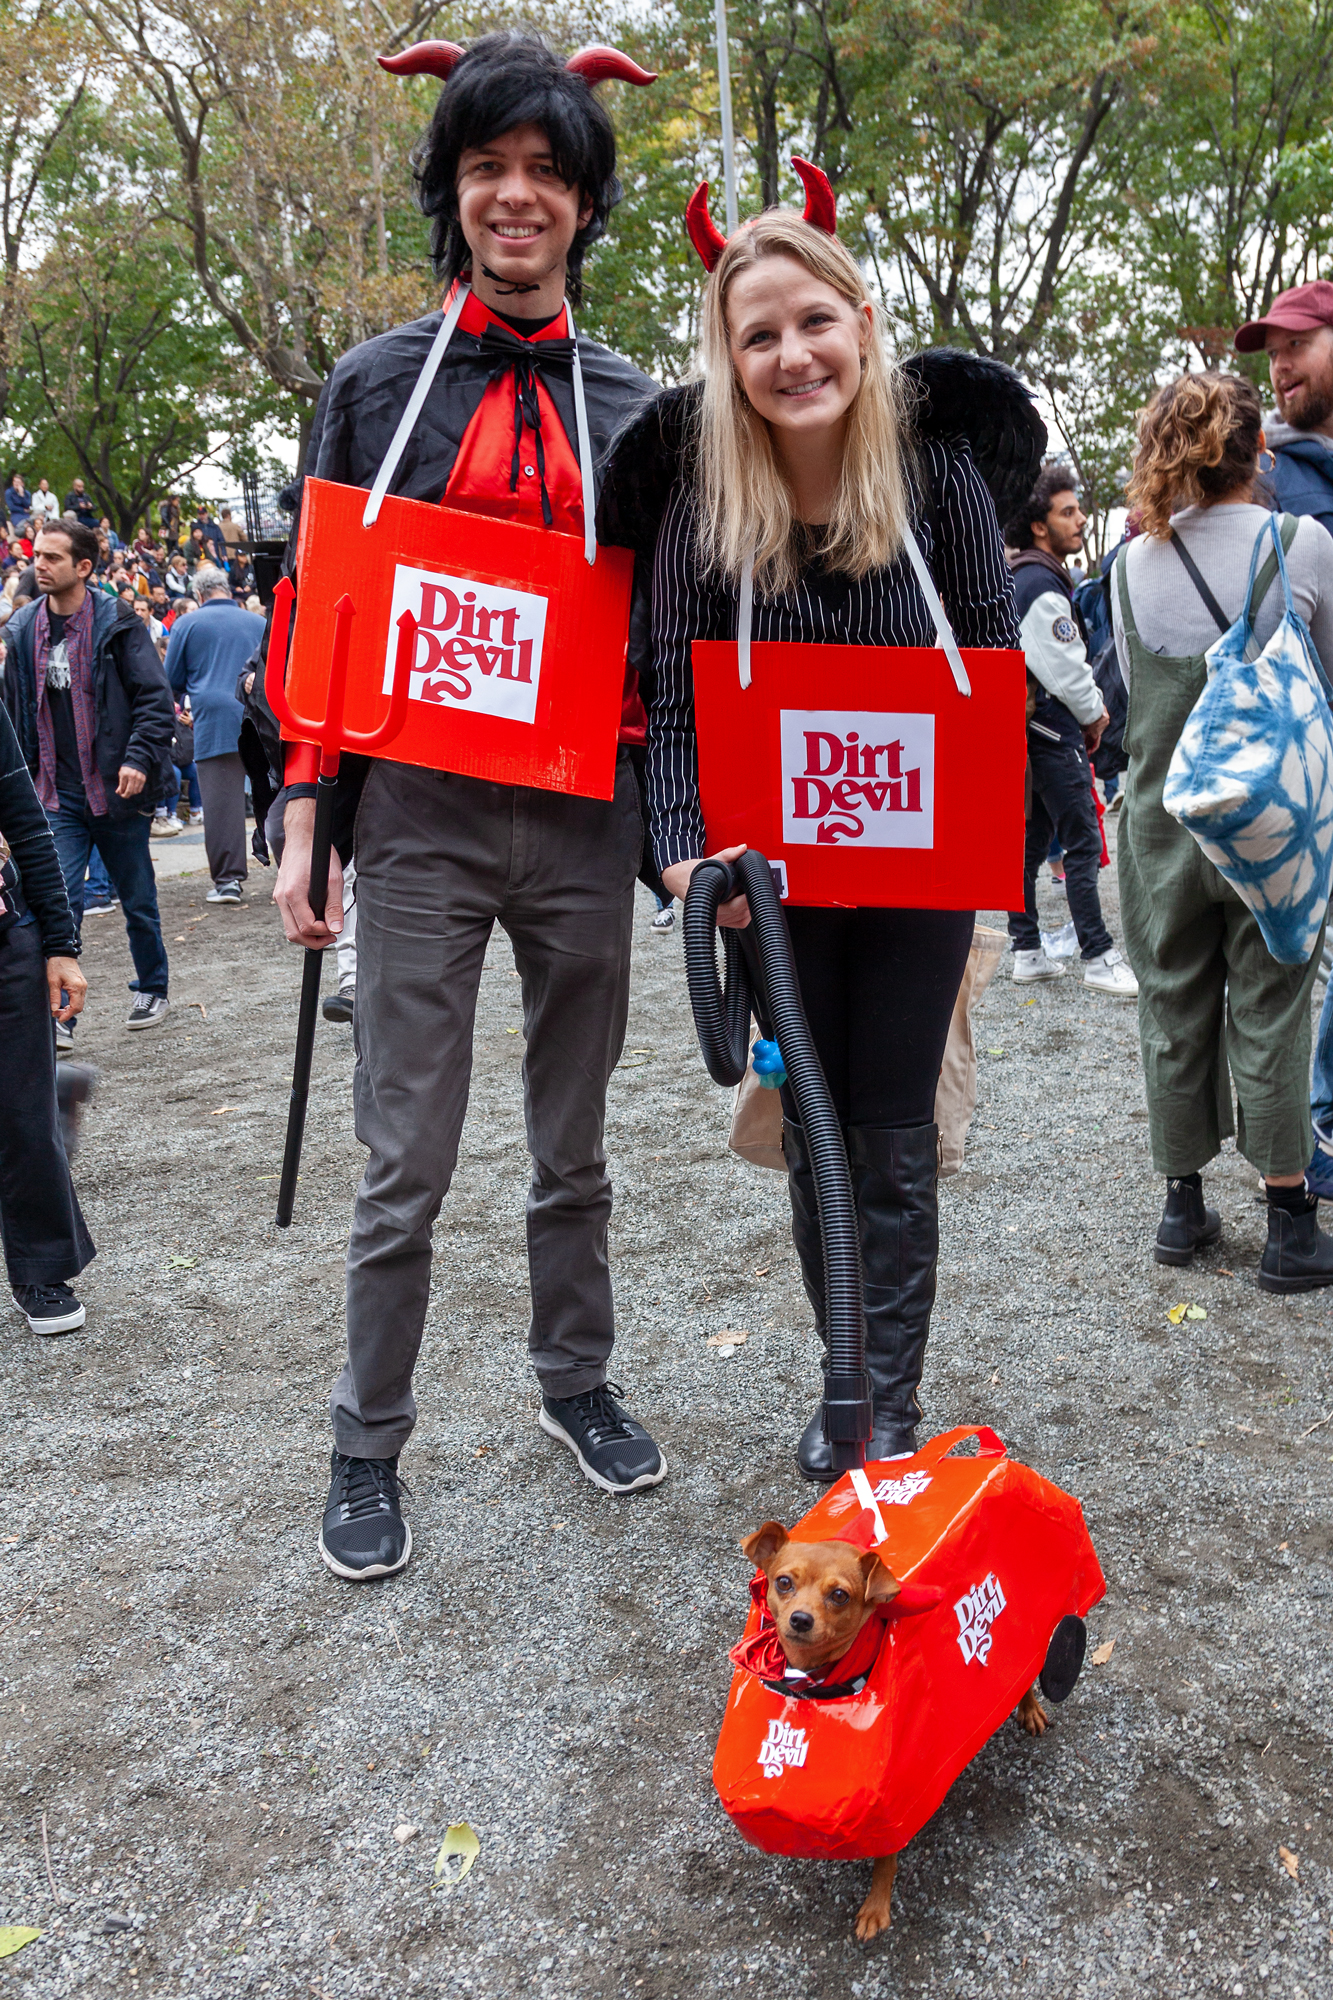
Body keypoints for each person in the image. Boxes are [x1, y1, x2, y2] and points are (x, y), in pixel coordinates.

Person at [272, 31, 664, 1580]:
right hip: (421, 822)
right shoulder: (372, 387)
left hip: (583, 824)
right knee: (405, 1162)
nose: (517, 197)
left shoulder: (634, 403)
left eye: (546, 173)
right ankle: (367, 1439)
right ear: (451, 191)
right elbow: (326, 612)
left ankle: (576, 1380)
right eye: (488, 168)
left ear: (581, 204)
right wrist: (310, 816)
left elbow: (673, 621)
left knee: (575, 1151)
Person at [603, 187, 1036, 1476]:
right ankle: (842, 1363)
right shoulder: (699, 510)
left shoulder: (936, 477)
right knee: (816, 1129)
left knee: (891, 1126)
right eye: (756, 336)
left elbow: (992, 662)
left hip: (912, 872)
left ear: (860, 321)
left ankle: (881, 1401)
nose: (791, 355)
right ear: (727, 362)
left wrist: (983, 839)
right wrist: (683, 857)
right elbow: (671, 712)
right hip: (767, 884)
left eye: (812, 322)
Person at [1111, 371, 1333, 1289]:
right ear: (1260, 454)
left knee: (1171, 1005)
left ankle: (1182, 1206)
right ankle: (1287, 1225)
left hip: (1162, 828)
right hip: (1269, 829)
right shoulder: (1300, 543)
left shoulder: (1122, 566)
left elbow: (1131, 697)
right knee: (1274, 1002)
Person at [1233, 284, 1333, 1198]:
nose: (1281, 362)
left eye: (1298, 341)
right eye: (1271, 350)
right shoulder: (1267, 483)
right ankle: (1321, 1127)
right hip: (1299, 764)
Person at [1, 520, 175, 1036]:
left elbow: (154, 700)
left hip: (117, 792)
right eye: (38, 556)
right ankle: (60, 1015)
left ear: (83, 567)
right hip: (54, 795)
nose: (40, 565)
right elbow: (12, 712)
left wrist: (138, 759)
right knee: (61, 900)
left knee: (137, 898)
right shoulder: (23, 626)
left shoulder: (117, 622)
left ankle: (152, 987)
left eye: (53, 558)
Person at [1004, 468, 1138, 995]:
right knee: (1082, 837)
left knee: (1034, 841)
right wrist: (1095, 714)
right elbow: (1065, 664)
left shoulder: (1024, 576)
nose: (1081, 518)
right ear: (1040, 526)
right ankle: (1099, 954)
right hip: (1054, 729)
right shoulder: (1041, 584)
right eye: (1068, 511)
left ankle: (1027, 948)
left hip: (1030, 729)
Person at [0, 697, 94, 1333]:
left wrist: (61, 944)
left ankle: (43, 1265)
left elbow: (27, 823)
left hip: (6, 939)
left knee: (23, 1113)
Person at [165, 563, 264, 901]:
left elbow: (173, 680)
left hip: (214, 720)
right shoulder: (259, 622)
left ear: (198, 594)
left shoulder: (186, 624)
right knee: (281, 797)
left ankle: (228, 881)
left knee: (222, 806)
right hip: (261, 718)